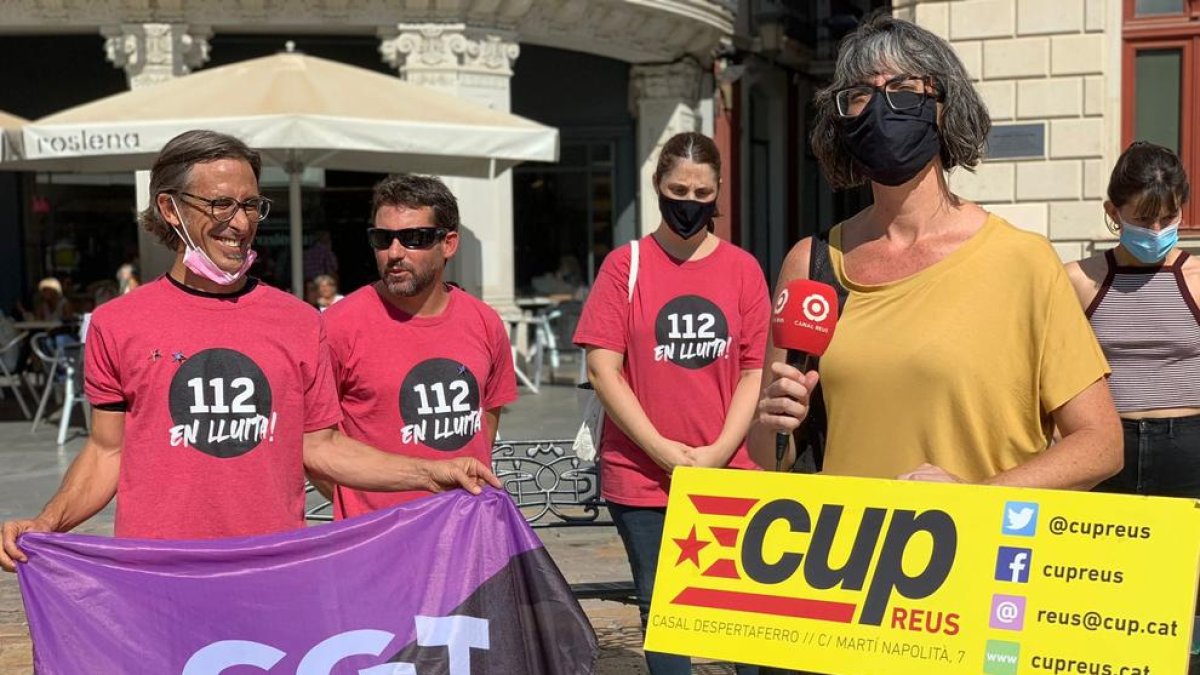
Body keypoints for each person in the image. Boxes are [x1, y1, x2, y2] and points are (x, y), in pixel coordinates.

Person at [0, 130, 498, 572]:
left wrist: (432, 472)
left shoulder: (300, 321)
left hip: (274, 571)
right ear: (170, 209)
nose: (240, 223)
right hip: (155, 574)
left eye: (251, 205)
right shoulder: (117, 323)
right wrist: (47, 521)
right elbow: (108, 450)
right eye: (221, 205)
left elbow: (321, 447)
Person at [749, 14, 1122, 492]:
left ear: (945, 108)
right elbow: (770, 454)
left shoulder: (1023, 261)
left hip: (977, 554)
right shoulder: (811, 262)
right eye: (860, 94)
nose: (881, 108)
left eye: (904, 89)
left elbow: (1101, 443)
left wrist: (976, 497)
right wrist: (773, 423)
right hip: (847, 555)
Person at [573, 131, 769, 675]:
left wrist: (717, 452)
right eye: (678, 188)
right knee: (663, 614)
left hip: (729, 472)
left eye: (702, 192)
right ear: (657, 186)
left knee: (744, 617)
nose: (689, 202)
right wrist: (663, 451)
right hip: (641, 476)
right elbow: (602, 368)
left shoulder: (742, 268)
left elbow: (754, 370)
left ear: (718, 191)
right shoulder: (624, 265)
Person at [1064, 142, 1199, 673]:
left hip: (1187, 455)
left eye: (1168, 217)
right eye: (1143, 219)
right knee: (1104, 605)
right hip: (1104, 454)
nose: (1157, 230)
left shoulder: (1195, 278)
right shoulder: (1078, 280)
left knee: (1182, 611)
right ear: (1112, 213)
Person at [320, 174, 518, 518]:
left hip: (464, 528)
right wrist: (359, 507)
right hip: (377, 539)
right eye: (382, 239)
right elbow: (313, 444)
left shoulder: (484, 321)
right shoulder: (337, 326)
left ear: (449, 244)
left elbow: (484, 424)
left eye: (414, 238)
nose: (394, 253)